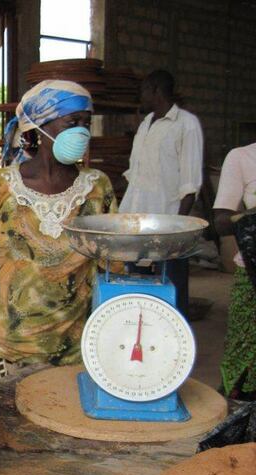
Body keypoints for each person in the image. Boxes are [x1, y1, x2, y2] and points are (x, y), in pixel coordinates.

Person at [0, 80, 116, 382]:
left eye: (86, 122)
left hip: (74, 354)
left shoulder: (97, 188)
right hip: (4, 353)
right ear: (39, 128)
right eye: (72, 122)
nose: (82, 131)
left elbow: (110, 266)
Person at [119, 70, 204, 315]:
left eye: (144, 90)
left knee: (173, 287)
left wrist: (178, 228)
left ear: (155, 90)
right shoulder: (146, 123)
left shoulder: (186, 124)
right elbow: (135, 172)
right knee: (138, 283)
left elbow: (190, 182)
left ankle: (178, 337)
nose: (141, 96)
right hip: (137, 221)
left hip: (167, 222)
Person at [213, 142, 256, 400]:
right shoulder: (242, 157)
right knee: (242, 361)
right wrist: (251, 217)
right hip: (251, 277)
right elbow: (220, 221)